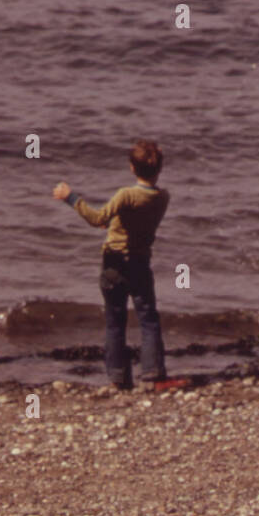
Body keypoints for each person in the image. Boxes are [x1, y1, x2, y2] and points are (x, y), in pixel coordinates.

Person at [52, 140, 169, 389]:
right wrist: (114, 223)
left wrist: (70, 197)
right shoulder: (162, 197)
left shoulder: (126, 194)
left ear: (131, 168)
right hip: (140, 262)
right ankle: (153, 372)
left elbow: (97, 219)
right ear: (159, 169)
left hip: (114, 263)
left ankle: (117, 377)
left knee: (115, 320)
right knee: (148, 317)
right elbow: (135, 221)